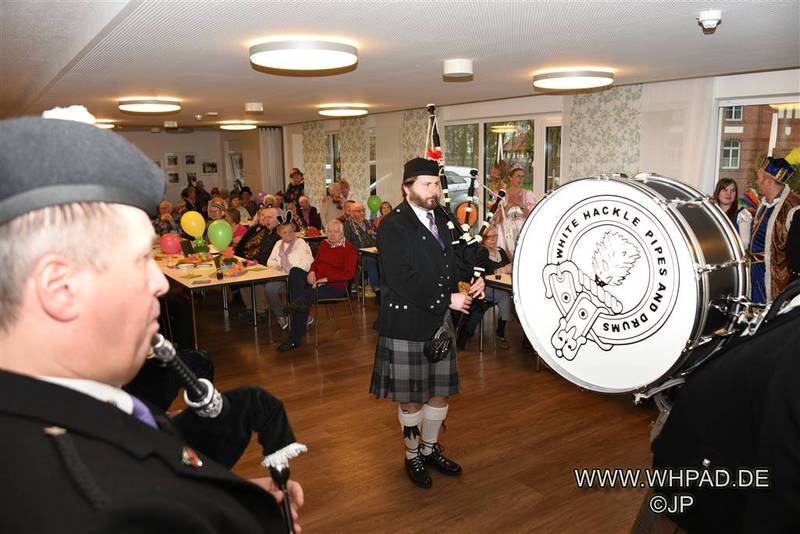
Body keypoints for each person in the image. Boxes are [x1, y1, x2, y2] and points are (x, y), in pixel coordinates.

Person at [0, 115, 301, 532]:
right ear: (60, 288)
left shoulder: (72, 406)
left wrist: (224, 499)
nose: (159, 283)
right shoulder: (99, 508)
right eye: (141, 259)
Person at [369, 157, 485, 489]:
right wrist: (447, 299)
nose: (433, 190)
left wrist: (475, 279)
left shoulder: (443, 217)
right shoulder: (393, 225)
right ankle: (412, 454)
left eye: (436, 184)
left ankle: (430, 448)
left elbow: (458, 260)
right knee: (412, 396)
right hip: (406, 321)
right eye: (426, 184)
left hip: (438, 320)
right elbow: (400, 278)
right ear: (406, 188)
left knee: (440, 392)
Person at [278, 220, 357, 352]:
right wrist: (312, 271)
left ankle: (294, 338)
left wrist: (327, 279)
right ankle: (297, 304)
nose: (332, 235)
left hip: (335, 286)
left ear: (342, 233)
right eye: (329, 232)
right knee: (295, 272)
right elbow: (316, 262)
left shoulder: (349, 249)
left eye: (336, 232)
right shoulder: (324, 244)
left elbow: (349, 274)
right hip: (316, 281)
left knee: (306, 297)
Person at [746, 156, 800, 305]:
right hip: (756, 275)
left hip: (777, 280)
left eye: (758, 178)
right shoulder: (764, 204)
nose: (756, 182)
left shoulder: (793, 208)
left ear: (768, 181)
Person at [457, 225, 513, 350]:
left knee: (514, 296)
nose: (493, 239)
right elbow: (481, 274)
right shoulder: (480, 252)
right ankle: (501, 334)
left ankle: (527, 334)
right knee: (505, 297)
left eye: (495, 236)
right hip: (484, 288)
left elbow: (509, 268)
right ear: (483, 238)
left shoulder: (501, 252)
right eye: (489, 237)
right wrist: (503, 270)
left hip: (502, 286)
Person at [265, 217, 314, 330]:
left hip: (298, 280)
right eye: (284, 232)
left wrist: (283, 265)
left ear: (294, 230)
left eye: (290, 231)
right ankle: (281, 316)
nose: (288, 235)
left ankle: (303, 315)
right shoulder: (278, 244)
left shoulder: (301, 243)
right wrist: (279, 265)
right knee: (269, 288)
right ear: (279, 233)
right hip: (282, 278)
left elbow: (303, 265)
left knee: (295, 287)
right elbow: (270, 262)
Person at [235, 207, 281, 315]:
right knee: (241, 274)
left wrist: (257, 263)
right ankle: (251, 307)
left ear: (277, 220)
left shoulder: (278, 233)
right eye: (264, 217)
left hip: (274, 267)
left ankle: (261, 310)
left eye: (270, 217)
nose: (266, 220)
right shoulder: (266, 231)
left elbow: (271, 255)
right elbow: (260, 251)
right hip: (262, 263)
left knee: (252, 276)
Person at [493, 163, 537, 258]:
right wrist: (508, 205)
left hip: (522, 231)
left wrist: (520, 204)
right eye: (518, 176)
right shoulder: (502, 195)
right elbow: (497, 220)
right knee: (506, 259)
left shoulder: (527, 194)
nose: (520, 179)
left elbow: (532, 217)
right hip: (505, 233)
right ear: (510, 178)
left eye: (522, 176)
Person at [343, 201, 381, 301]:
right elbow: (347, 244)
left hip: (373, 252)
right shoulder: (347, 225)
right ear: (351, 213)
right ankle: (378, 291)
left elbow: (379, 237)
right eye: (358, 211)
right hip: (358, 254)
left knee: (386, 260)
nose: (362, 213)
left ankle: (388, 289)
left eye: (363, 210)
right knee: (370, 261)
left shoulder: (369, 223)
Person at [713, 177, 752, 247]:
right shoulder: (712, 211)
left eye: (732, 191)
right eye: (725, 190)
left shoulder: (742, 214)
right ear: (718, 192)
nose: (729, 194)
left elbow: (745, 243)